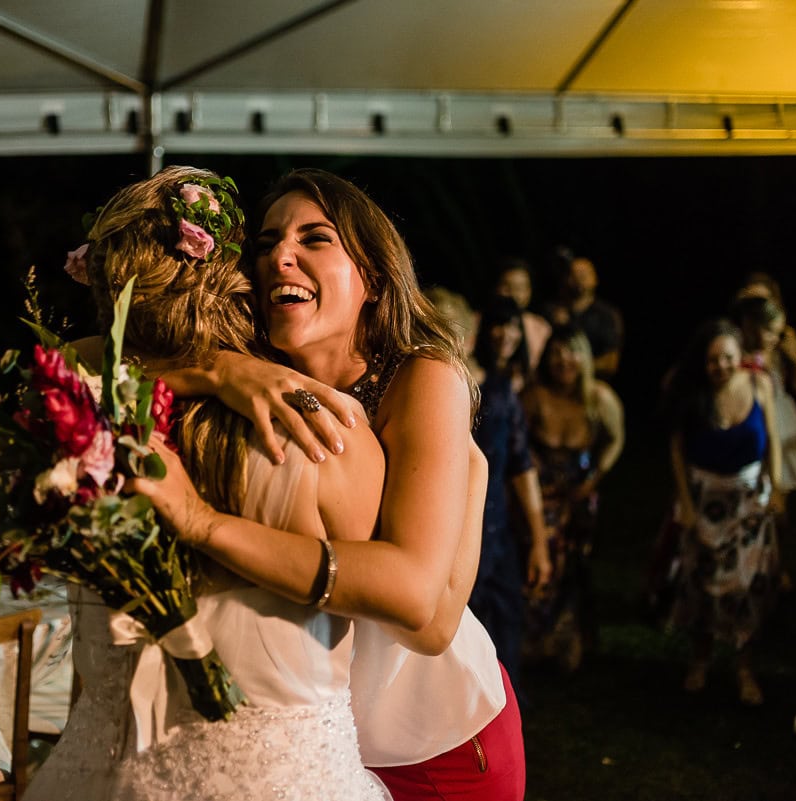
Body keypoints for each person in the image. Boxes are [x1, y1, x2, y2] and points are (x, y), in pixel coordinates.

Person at [132, 168, 526, 801]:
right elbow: (80, 359)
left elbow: (424, 621)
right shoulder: (254, 367)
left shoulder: (421, 380)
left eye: (315, 238)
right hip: (322, 741)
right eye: (265, 243)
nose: (279, 255)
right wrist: (217, 368)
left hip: (440, 743)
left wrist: (204, 525)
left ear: (370, 276)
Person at [25, 166, 390, 801]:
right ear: (240, 285)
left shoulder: (82, 427)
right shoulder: (335, 433)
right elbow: (367, 599)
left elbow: (49, 366)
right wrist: (215, 368)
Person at [662, 319, 782, 706]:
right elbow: (677, 449)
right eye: (713, 360)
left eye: (728, 358)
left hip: (749, 500)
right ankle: (701, 659)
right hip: (704, 498)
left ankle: (744, 667)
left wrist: (776, 487)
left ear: (740, 357)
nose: (721, 367)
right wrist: (686, 503)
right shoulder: (692, 394)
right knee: (703, 581)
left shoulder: (760, 385)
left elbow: (774, 443)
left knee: (747, 585)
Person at [519, 324, 623, 671]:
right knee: (543, 563)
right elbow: (518, 447)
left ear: (584, 357)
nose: (563, 360)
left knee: (577, 568)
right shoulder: (534, 396)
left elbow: (616, 440)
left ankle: (571, 637)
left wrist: (595, 477)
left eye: (571, 351)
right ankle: (536, 639)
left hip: (579, 500)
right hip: (543, 501)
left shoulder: (599, 398)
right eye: (556, 352)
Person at [470, 293, 553, 697]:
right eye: (498, 325)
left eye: (513, 326)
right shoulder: (460, 379)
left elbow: (521, 464)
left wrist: (538, 540)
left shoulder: (506, 390)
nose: (505, 335)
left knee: (506, 626)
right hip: (459, 527)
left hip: (497, 527)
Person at [731, 294, 796, 492]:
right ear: (751, 325)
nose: (775, 339)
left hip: (781, 425)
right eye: (770, 331)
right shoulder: (737, 357)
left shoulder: (779, 353)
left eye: (778, 333)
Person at [543, 250, 624, 380]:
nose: (578, 279)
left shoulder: (606, 315)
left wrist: (575, 367)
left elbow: (611, 362)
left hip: (592, 383)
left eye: (584, 274)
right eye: (573, 274)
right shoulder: (552, 311)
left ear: (595, 278)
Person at [494, 257, 551, 378]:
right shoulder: (477, 321)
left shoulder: (541, 328)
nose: (512, 294)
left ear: (528, 292)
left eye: (519, 288)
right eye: (507, 287)